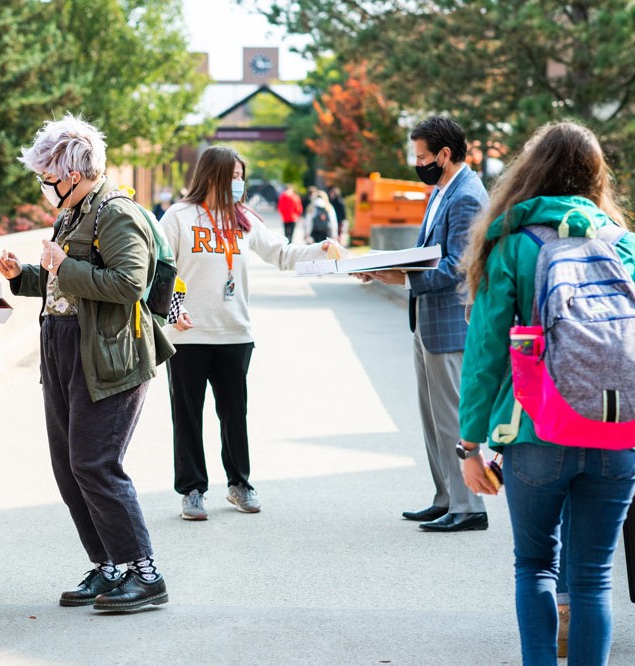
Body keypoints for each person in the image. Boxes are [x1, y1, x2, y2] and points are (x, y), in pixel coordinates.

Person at [459, 120, 635, 666]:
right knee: (592, 579)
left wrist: (470, 446)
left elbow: (485, 351)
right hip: (616, 432)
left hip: (535, 430)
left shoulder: (512, 243)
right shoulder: (623, 244)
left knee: (535, 565)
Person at [0, 114, 173, 611]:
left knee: (96, 464)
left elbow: (128, 284)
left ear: (71, 173)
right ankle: (109, 565)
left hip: (108, 353)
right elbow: (63, 285)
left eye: (47, 176)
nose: (44, 186)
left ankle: (145, 573)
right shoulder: (73, 211)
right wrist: (23, 274)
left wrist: (60, 266)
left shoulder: (116, 213)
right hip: (65, 346)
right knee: (70, 468)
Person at [159, 146, 341, 520]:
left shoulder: (243, 219)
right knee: (188, 416)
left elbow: (282, 254)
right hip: (187, 336)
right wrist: (174, 311)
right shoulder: (177, 217)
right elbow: (158, 269)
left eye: (242, 175)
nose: (240, 183)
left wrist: (320, 250)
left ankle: (240, 484)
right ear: (212, 177)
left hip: (234, 333)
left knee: (234, 413)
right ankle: (192, 490)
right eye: (235, 176)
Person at [365, 116, 489, 532]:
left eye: (422, 157)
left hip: (449, 322)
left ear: (445, 154)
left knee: (451, 416)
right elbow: (429, 252)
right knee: (433, 417)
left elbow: (457, 267)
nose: (418, 164)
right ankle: (446, 498)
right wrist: (389, 265)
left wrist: (402, 276)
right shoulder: (442, 191)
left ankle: (469, 506)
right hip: (428, 318)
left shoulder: (467, 196)